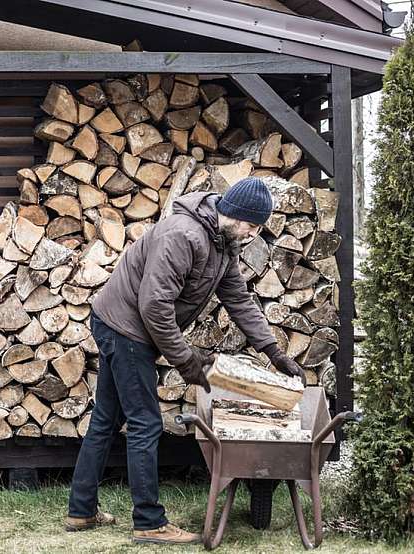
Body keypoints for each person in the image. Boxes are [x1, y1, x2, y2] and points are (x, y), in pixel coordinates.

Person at [64, 177, 306, 545]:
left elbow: (238, 299)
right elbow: (154, 307)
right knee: (145, 424)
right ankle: (149, 522)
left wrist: (274, 351)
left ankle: (81, 511)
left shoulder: (224, 242)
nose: (254, 234)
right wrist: (186, 361)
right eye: (252, 225)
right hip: (125, 328)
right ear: (236, 214)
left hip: (127, 324)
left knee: (105, 420)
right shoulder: (183, 235)